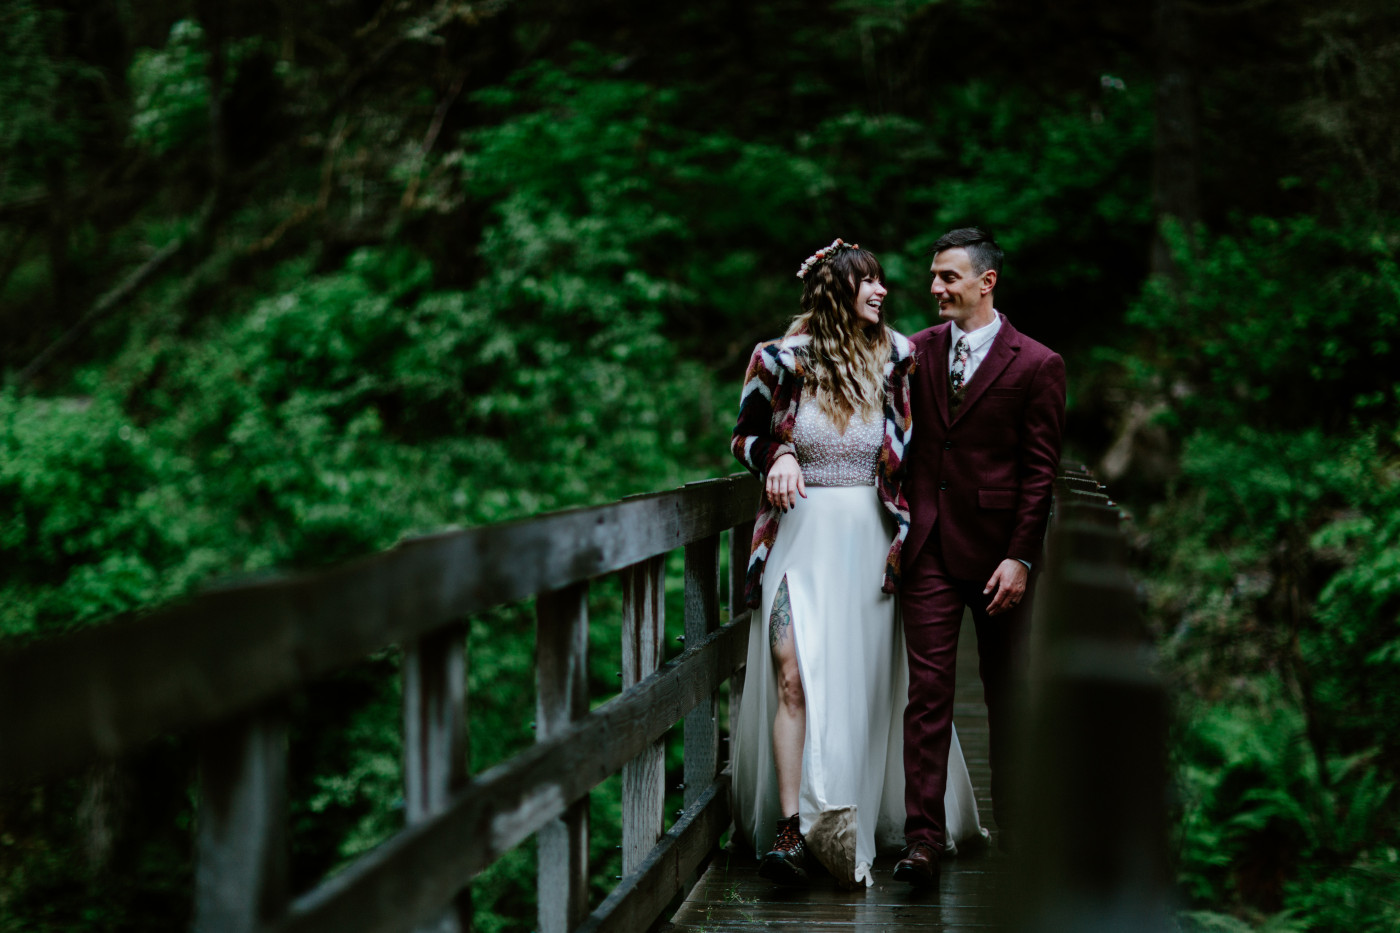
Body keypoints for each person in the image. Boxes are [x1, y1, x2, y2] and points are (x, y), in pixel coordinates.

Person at [730, 238, 987, 889]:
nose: (882, 292)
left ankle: (854, 820)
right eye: (868, 282)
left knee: (863, 685)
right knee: (792, 671)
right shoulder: (778, 359)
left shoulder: (901, 360)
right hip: (799, 541)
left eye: (880, 283)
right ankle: (790, 832)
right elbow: (745, 435)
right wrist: (776, 455)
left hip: (875, 548)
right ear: (835, 290)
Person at [893, 228, 1066, 887]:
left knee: (1007, 694)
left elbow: (1038, 470)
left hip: (1000, 554)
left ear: (986, 282)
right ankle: (923, 840)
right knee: (929, 692)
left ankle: (1019, 832)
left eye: (948, 277)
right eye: (933, 275)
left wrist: (1022, 556)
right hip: (930, 545)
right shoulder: (913, 352)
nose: (934, 287)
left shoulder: (1037, 363)